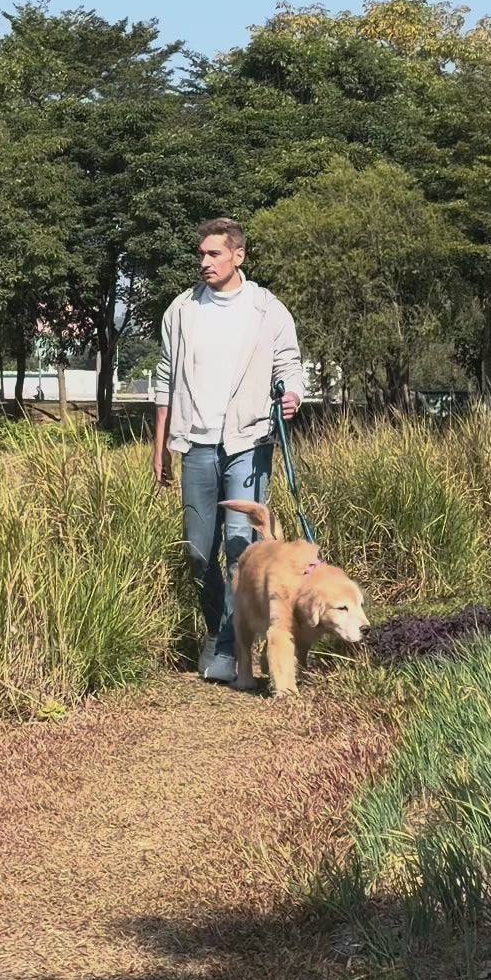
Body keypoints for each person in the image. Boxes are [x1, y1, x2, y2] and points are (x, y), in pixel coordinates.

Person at [152, 217, 306, 683]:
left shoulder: (266, 309)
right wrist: (160, 447)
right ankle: (225, 632)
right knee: (198, 554)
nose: (204, 261)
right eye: (201, 254)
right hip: (195, 443)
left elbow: (290, 363)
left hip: (248, 441)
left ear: (238, 256)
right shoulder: (182, 310)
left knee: (240, 551)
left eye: (214, 253)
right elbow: (164, 378)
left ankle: (225, 649)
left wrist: (292, 394)